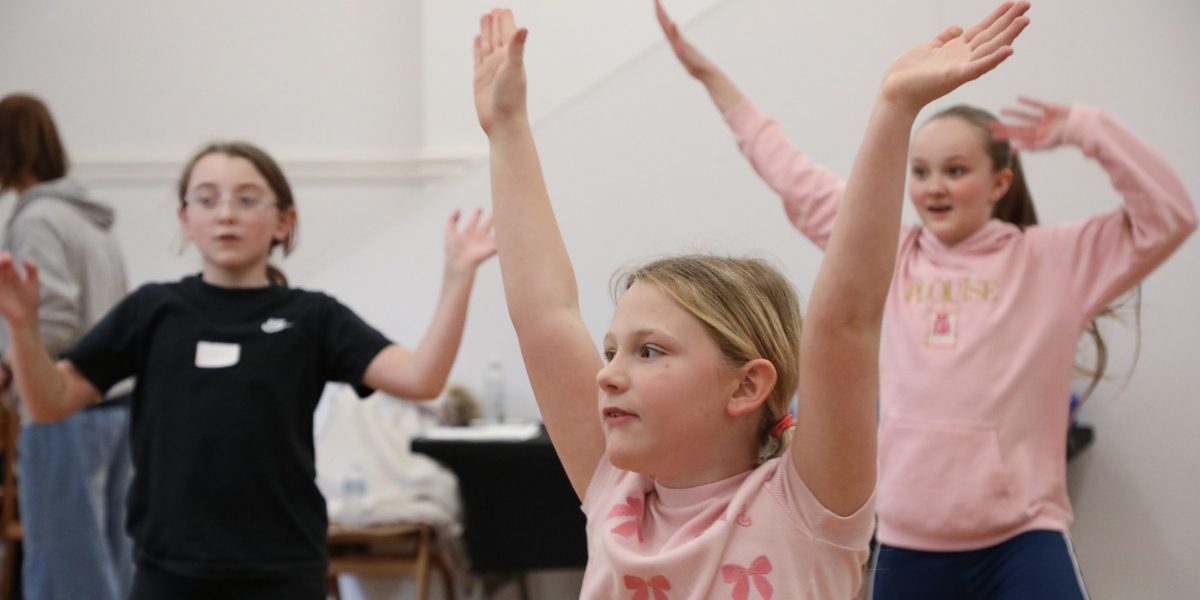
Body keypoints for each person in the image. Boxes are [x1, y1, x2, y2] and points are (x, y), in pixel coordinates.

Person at [474, 3, 1029, 598]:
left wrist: (895, 110)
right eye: (612, 351)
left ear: (746, 386)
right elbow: (544, 316)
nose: (606, 375)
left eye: (649, 351)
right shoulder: (617, 492)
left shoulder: (808, 505)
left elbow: (845, 323)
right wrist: (506, 126)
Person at [656, 2, 1196, 597]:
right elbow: (790, 173)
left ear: (999, 184)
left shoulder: (1050, 260)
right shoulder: (891, 249)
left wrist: (1090, 130)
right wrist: (711, 78)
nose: (934, 186)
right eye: (921, 171)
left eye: (955, 170)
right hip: (908, 544)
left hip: (1023, 539)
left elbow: (1169, 216)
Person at [0, 140, 497, 600]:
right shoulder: (153, 311)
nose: (225, 215)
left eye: (246, 199)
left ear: (283, 221)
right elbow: (49, 402)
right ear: (185, 218)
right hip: (169, 572)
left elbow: (421, 378)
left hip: (282, 571)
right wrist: (23, 328)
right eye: (207, 199)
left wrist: (457, 279)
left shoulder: (313, 318)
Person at [0, 92, 134, 600]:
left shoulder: (38, 220)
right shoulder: (89, 220)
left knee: (65, 572)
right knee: (107, 567)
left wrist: (9, 369)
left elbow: (52, 316)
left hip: (65, 408)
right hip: (116, 407)